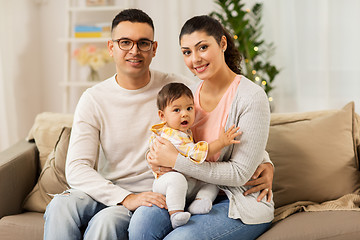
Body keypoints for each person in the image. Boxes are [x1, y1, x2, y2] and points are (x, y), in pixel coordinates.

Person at [43, 9, 273, 240]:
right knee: (59, 207)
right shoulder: (93, 98)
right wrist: (124, 197)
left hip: (161, 191)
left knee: (106, 223)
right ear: (111, 48)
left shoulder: (176, 89)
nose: (134, 51)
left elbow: (228, 130)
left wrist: (265, 162)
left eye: (143, 43)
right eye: (125, 43)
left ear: (154, 49)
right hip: (115, 191)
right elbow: (77, 168)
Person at [129, 15, 275, 240]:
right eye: (187, 52)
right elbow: (174, 140)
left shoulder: (251, 97)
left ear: (223, 44)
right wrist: (156, 157)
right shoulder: (189, 96)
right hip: (190, 192)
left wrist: (176, 162)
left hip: (237, 199)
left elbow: (239, 173)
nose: (195, 59)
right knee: (141, 223)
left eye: (203, 47)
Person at [150, 82, 241, 229]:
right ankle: (176, 214)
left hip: (187, 182)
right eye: (177, 110)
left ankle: (200, 201)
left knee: (212, 182)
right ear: (162, 115)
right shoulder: (172, 135)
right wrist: (221, 142)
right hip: (166, 182)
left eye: (189, 108)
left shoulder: (182, 132)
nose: (184, 113)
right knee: (177, 179)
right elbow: (196, 153)